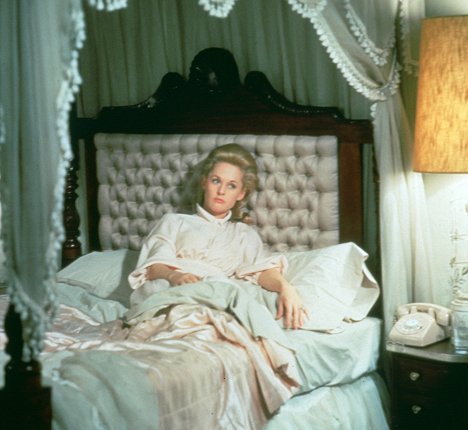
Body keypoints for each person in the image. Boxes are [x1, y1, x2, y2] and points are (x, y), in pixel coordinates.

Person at [128, 143, 307, 329]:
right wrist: (175, 276)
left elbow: (261, 271)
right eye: (216, 181)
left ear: (241, 193)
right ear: (204, 182)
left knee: (234, 302)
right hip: (168, 290)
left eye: (231, 185)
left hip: (214, 298)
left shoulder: (244, 234)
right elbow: (153, 267)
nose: (221, 191)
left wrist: (285, 288)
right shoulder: (174, 221)